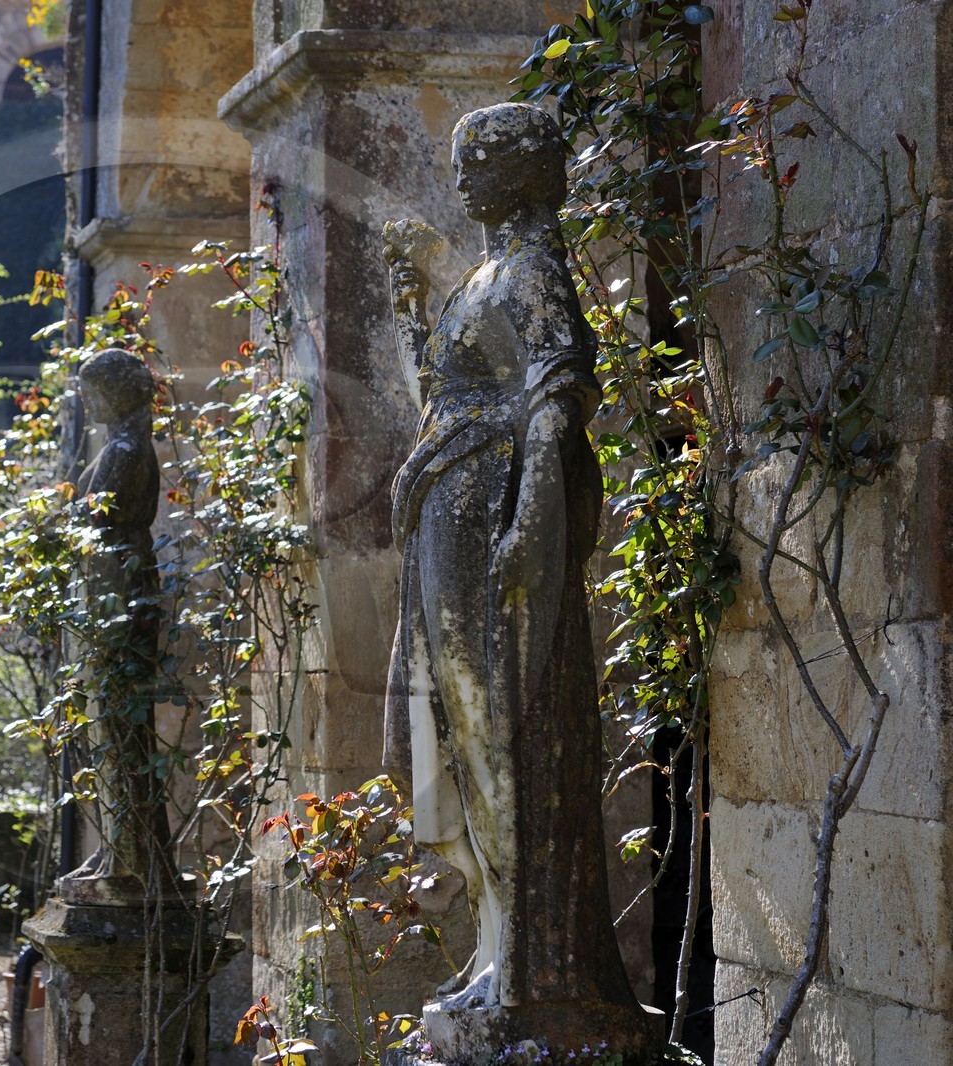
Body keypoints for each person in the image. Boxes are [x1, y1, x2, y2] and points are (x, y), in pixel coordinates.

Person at [382, 103, 639, 1018]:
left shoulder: (531, 271)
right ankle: (496, 942)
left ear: (527, 172)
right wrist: (415, 317)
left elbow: (555, 400)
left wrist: (534, 519)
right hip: (448, 515)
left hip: (490, 512)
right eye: (461, 159)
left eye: (480, 160)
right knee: (460, 733)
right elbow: (444, 400)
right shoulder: (483, 275)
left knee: (500, 735)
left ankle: (530, 962)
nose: (462, 177)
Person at [62, 347, 171, 893]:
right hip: (112, 592)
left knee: (121, 733)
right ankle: (117, 854)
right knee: (109, 731)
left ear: (116, 393)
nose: (84, 401)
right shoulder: (120, 445)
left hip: (119, 598)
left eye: (91, 390)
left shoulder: (126, 449)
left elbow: (90, 521)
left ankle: (133, 864)